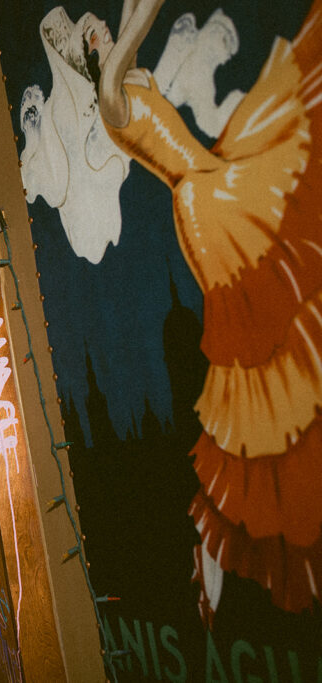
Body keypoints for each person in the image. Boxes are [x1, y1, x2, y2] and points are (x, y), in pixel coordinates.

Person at [84, 0, 322, 617]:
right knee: (262, 333)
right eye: (95, 36)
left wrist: (121, 34)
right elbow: (137, 23)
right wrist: (118, 40)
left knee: (270, 341)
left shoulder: (122, 75)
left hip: (213, 181)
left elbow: (132, 23)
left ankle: (216, 542)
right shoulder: (110, 92)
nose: (103, 30)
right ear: (94, 58)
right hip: (204, 199)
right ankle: (223, 535)